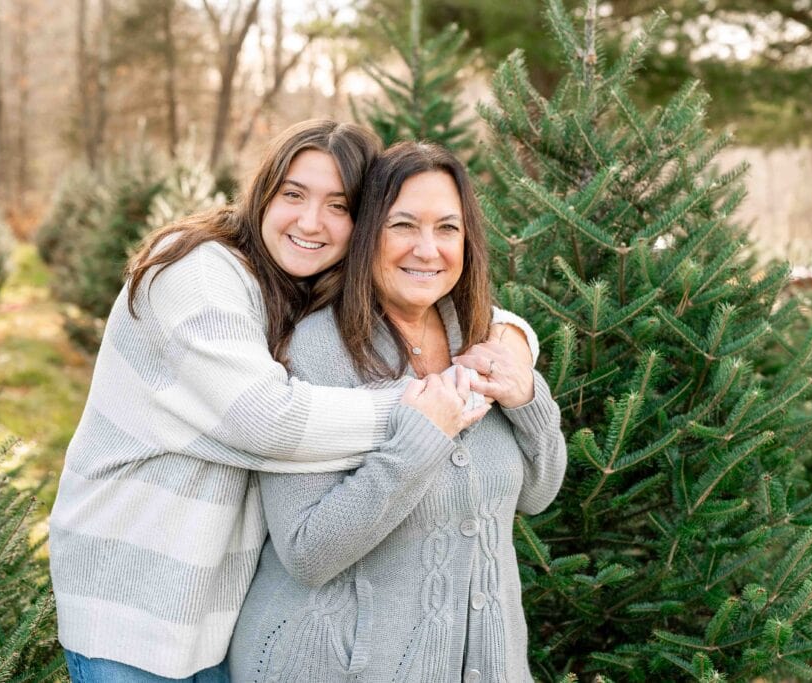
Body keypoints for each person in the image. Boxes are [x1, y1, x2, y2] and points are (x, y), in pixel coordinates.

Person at [49, 121, 536, 682]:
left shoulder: (300, 279)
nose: (311, 222)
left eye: (339, 205)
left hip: (217, 611)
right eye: (294, 195)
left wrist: (513, 339)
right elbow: (266, 420)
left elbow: (456, 302)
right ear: (264, 191)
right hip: (135, 604)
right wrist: (422, 407)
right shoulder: (199, 273)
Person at [228, 141, 566, 682]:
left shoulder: (480, 335)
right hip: (331, 665)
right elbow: (308, 553)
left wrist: (528, 398)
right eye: (403, 225)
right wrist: (419, 443)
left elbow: (537, 493)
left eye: (447, 228)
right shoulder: (316, 350)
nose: (427, 250)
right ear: (367, 236)